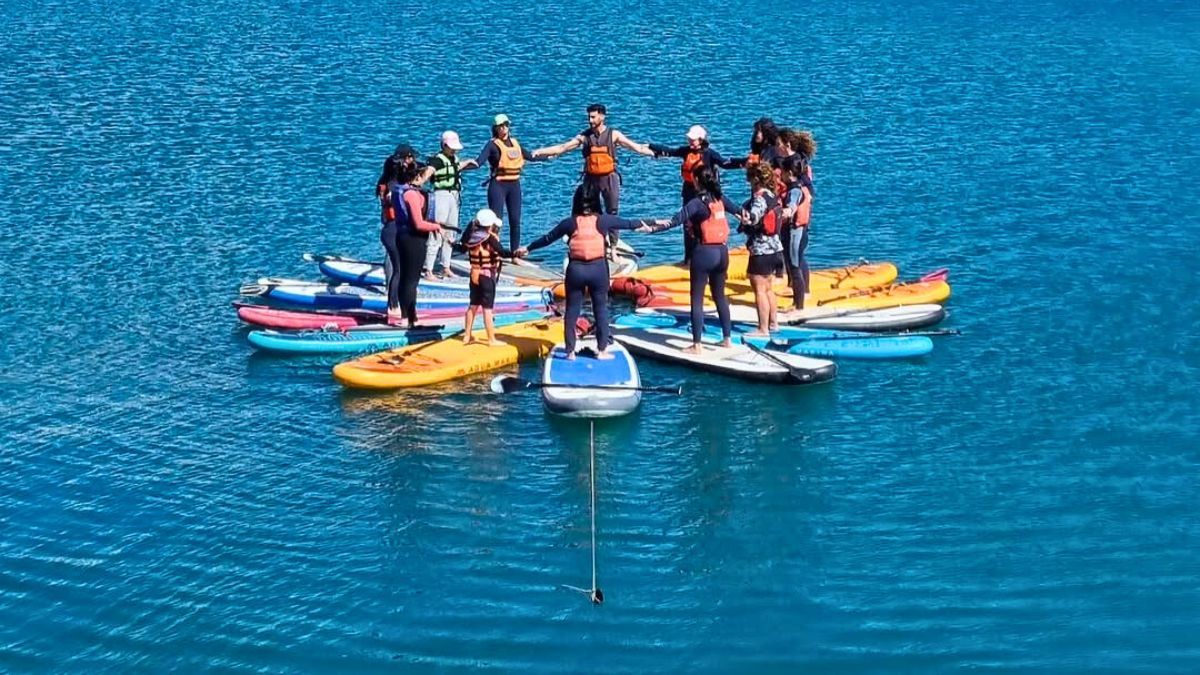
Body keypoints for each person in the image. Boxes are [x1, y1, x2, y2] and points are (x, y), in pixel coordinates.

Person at [516, 184, 665, 359]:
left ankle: (570, 351)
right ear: (597, 201)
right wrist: (654, 221)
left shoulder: (570, 223)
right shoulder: (603, 220)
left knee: (572, 310)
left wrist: (528, 248)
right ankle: (602, 350)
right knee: (600, 309)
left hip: (576, 271)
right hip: (598, 270)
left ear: (576, 201)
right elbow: (630, 223)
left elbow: (547, 238)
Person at [644, 166, 744, 353]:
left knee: (696, 299)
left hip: (704, 253)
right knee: (720, 296)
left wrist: (651, 229)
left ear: (697, 181)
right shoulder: (720, 199)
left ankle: (697, 345)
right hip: (722, 252)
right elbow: (741, 213)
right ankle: (727, 339)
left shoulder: (696, 203)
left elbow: (675, 220)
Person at [534, 104, 655, 228]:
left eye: (593, 117)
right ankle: (593, 236)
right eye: (589, 117)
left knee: (612, 212)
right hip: (591, 179)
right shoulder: (584, 137)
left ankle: (612, 243)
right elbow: (562, 148)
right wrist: (540, 151)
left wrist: (656, 153)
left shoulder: (613, 135)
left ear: (602, 117)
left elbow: (636, 147)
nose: (590, 120)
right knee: (590, 211)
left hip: (609, 178)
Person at [648, 125, 738, 262]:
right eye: (689, 139)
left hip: (705, 193)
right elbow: (670, 151)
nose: (690, 142)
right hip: (689, 192)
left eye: (693, 139)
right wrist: (651, 146)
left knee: (705, 222)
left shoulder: (710, 154)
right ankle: (689, 258)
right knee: (688, 224)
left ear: (701, 139)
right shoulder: (686, 151)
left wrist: (743, 162)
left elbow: (725, 163)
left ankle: (706, 251)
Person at [459, 114, 548, 250]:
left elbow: (530, 156)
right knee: (496, 221)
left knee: (515, 221)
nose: (504, 128)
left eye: (506, 125)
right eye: (501, 126)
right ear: (495, 128)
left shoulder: (515, 143)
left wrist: (548, 156)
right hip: (498, 185)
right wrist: (460, 167)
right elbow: (479, 162)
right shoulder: (492, 145)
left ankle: (514, 253)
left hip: (514, 185)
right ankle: (493, 249)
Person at [384, 161, 441, 325]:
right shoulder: (412, 195)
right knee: (411, 281)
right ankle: (408, 318)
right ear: (416, 176)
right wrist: (437, 226)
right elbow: (419, 223)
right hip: (413, 239)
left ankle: (409, 316)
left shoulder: (398, 189)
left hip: (403, 237)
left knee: (406, 278)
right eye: (422, 175)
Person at [738, 162, 786, 335]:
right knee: (768, 288)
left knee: (759, 290)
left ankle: (762, 328)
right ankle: (773, 323)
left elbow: (754, 216)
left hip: (761, 249)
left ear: (755, 179)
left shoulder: (759, 198)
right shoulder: (772, 195)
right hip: (776, 248)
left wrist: (745, 219)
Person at [456, 209, 512, 346]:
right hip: (486, 276)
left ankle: (467, 335)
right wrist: (515, 254)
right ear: (490, 225)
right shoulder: (489, 239)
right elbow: (502, 252)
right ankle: (491, 340)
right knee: (487, 309)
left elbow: (462, 247)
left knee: (473, 306)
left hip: (474, 275)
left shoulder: (471, 236)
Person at [423, 131, 466, 280]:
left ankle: (445, 266)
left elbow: (457, 168)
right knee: (436, 232)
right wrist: (418, 183)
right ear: (444, 145)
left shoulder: (454, 158)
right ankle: (428, 269)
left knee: (451, 232)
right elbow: (428, 172)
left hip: (453, 196)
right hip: (440, 195)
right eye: (451, 147)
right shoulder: (437, 160)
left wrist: (470, 163)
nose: (454, 150)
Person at [779, 155, 813, 311]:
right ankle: (797, 302)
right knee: (795, 265)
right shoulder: (802, 185)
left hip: (795, 233)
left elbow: (792, 204)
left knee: (794, 267)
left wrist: (787, 211)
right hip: (798, 232)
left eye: (783, 172)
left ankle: (798, 306)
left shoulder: (795, 190)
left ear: (789, 172)